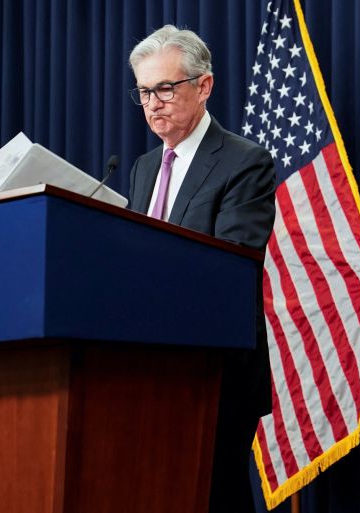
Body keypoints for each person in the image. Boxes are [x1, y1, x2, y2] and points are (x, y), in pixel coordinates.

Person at [127, 25, 275, 513]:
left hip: (214, 371)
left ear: (204, 85)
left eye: (165, 89)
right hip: (146, 368)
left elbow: (231, 262)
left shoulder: (244, 162)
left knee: (214, 497)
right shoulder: (144, 168)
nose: (153, 104)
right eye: (144, 92)